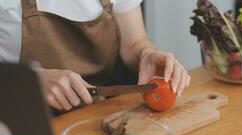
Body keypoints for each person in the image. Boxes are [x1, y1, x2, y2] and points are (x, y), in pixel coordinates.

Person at [0, 0, 190, 111]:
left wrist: (146, 53)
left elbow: (134, 42)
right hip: (20, 123)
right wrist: (31, 79)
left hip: (98, 117)